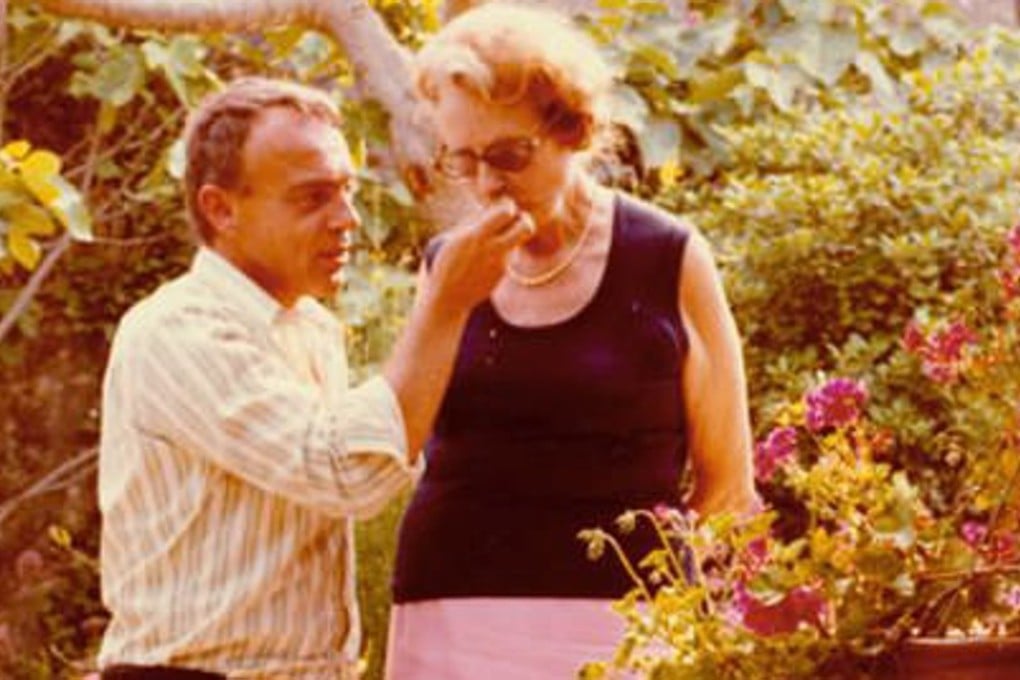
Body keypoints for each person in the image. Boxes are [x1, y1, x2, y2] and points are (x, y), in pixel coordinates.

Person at [94, 76, 532, 679]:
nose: (347, 219)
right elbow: (342, 472)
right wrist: (445, 304)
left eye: (347, 191)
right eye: (312, 198)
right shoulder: (176, 332)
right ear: (220, 209)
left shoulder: (311, 329)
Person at [386, 4, 761, 678]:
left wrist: (686, 631)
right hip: (453, 618)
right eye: (462, 161)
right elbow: (394, 438)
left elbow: (727, 484)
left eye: (508, 155)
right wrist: (444, 304)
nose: (486, 184)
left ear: (573, 130)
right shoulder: (447, 266)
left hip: (623, 627)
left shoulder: (667, 257)